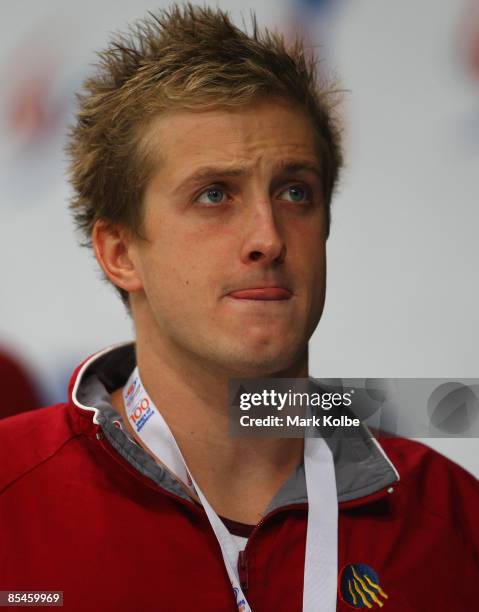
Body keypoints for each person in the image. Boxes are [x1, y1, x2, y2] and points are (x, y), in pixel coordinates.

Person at [0, 5, 478, 611]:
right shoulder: (10, 495)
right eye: (214, 194)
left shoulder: (457, 523)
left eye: (294, 191)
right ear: (120, 252)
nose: (269, 237)